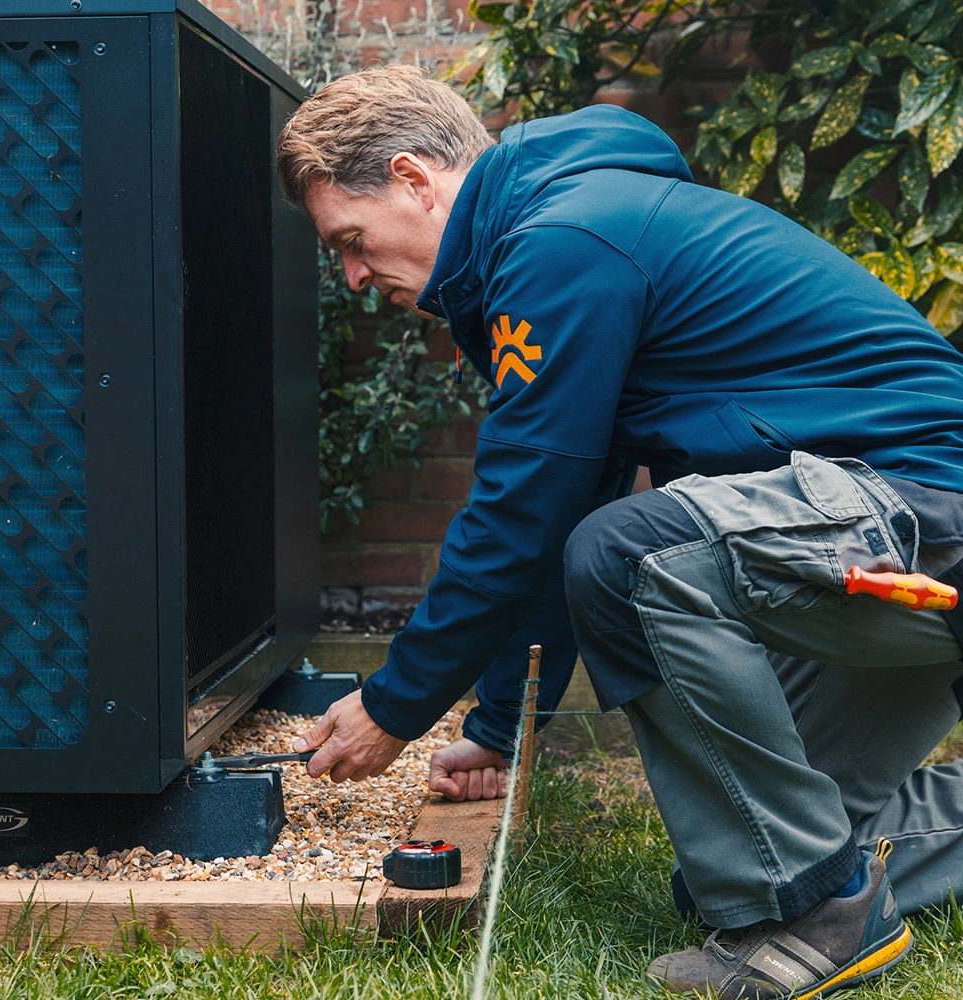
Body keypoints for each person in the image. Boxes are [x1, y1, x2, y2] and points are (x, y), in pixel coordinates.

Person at [276, 64, 963, 998]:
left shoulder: (560, 243)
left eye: (350, 242)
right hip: (877, 531)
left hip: (920, 523)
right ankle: (821, 892)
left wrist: (396, 704)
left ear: (413, 178)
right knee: (747, 856)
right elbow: (563, 499)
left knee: (634, 557)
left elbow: (526, 509)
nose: (354, 276)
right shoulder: (568, 226)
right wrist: (498, 725)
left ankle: (820, 920)